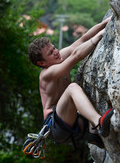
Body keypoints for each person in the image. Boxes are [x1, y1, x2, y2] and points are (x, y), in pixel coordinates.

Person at [28, 17, 114, 150]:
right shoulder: (47, 74)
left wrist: (106, 23)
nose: (56, 52)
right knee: (73, 88)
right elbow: (76, 56)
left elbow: (82, 40)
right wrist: (100, 35)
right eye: (51, 53)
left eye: (54, 48)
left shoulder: (58, 57)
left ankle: (93, 134)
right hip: (56, 126)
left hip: (73, 120)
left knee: (88, 88)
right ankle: (98, 123)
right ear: (42, 63)